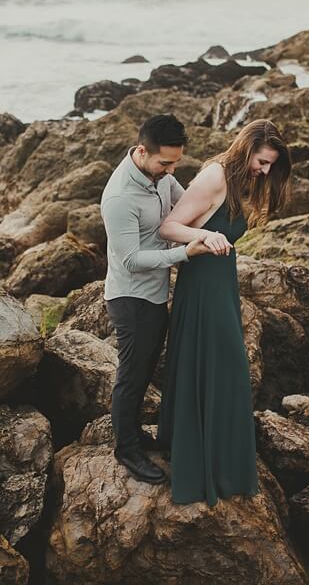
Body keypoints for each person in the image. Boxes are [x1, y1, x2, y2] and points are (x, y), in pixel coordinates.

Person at [158, 118, 292, 505]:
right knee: (219, 366)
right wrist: (203, 234)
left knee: (225, 369)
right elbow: (169, 227)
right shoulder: (215, 176)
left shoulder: (243, 180)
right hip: (201, 286)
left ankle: (221, 464)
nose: (264, 171)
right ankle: (204, 467)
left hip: (222, 283)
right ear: (246, 148)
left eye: (270, 166)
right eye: (262, 161)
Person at [99, 114, 221, 484]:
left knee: (148, 369)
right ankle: (127, 450)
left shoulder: (161, 177)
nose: (171, 170)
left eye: (176, 163)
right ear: (141, 151)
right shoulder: (120, 197)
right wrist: (186, 254)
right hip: (131, 299)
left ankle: (134, 436)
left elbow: (186, 211)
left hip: (154, 295)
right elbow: (132, 261)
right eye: (165, 163)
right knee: (133, 378)